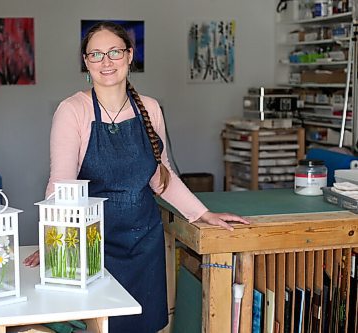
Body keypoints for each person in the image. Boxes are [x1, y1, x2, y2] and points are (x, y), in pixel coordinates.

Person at [24, 21, 249, 332]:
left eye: (115, 52)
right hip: (93, 244)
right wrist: (54, 242)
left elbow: (162, 178)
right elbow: (60, 184)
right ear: (86, 62)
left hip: (144, 242)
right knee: (100, 325)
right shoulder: (72, 110)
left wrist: (203, 213)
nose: (106, 62)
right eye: (96, 54)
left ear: (130, 56)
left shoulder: (151, 109)